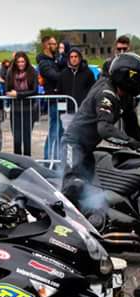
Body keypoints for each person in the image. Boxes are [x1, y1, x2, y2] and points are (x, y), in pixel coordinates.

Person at [61, 53, 140, 210]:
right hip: (73, 144)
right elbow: (105, 129)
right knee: (73, 186)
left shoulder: (126, 98)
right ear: (127, 77)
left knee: (89, 190)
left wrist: (137, 141)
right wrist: (132, 143)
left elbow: (133, 129)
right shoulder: (106, 93)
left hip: (89, 149)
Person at [6, 51, 39, 156]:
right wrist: (13, 94)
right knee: (17, 139)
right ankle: (17, 161)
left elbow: (35, 91)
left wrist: (18, 94)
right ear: (15, 62)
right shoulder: (10, 72)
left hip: (29, 109)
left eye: (23, 61)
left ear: (26, 62)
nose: (21, 64)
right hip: (15, 110)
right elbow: (7, 90)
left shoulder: (32, 72)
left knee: (27, 138)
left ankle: (27, 160)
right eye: (18, 62)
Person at [36, 36, 64, 159]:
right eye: (54, 44)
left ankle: (57, 158)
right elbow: (54, 76)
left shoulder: (56, 59)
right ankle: (48, 159)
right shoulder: (43, 63)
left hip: (61, 99)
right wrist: (66, 75)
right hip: (54, 100)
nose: (56, 46)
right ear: (47, 45)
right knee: (54, 129)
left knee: (60, 130)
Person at [57, 48, 95, 130]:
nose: (73, 59)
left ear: (80, 58)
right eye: (71, 57)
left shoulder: (88, 73)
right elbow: (60, 91)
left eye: (76, 56)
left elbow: (92, 91)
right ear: (68, 58)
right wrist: (61, 109)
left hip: (83, 111)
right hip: (67, 111)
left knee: (82, 133)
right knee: (68, 133)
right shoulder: (63, 73)